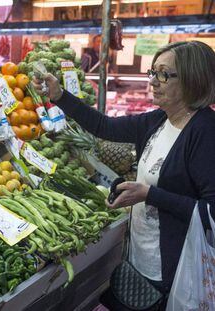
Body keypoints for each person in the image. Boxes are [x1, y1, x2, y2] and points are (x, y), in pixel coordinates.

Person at [32, 41, 215, 309]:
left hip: (176, 268)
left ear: (193, 79)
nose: (154, 81)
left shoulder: (205, 132)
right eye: (153, 72)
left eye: (164, 74)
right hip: (142, 255)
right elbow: (103, 126)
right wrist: (59, 96)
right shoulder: (159, 121)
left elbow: (211, 212)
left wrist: (150, 195)